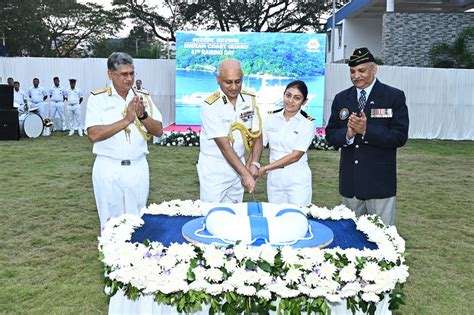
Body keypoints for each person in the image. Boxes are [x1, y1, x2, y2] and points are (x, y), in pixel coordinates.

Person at [325, 47, 409, 226]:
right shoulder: (341, 98)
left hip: (379, 185)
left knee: (383, 241)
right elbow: (330, 134)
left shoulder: (393, 96)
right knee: (349, 241)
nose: (356, 75)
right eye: (352, 71)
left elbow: (400, 136)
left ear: (374, 69)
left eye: (361, 70)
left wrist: (366, 131)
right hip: (350, 185)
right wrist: (347, 134)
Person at [85, 52, 164, 231]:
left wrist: (142, 115)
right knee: (110, 221)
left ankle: (133, 257)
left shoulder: (143, 97)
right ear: (110, 75)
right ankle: (111, 257)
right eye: (124, 74)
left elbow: (158, 130)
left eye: (132, 73)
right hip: (108, 167)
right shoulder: (98, 98)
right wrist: (126, 120)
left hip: (138, 166)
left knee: (137, 219)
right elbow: (93, 135)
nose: (129, 79)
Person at [197, 58, 263, 203]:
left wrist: (254, 163)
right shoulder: (210, 105)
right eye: (228, 82)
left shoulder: (249, 100)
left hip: (238, 165)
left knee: (234, 214)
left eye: (238, 81)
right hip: (215, 168)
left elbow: (257, 136)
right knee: (212, 214)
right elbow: (224, 146)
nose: (234, 87)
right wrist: (245, 175)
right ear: (218, 79)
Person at [258, 80, 315, 207]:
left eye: (297, 98)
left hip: (297, 179)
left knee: (298, 217)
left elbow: (295, 156)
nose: (290, 101)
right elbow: (260, 144)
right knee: (275, 217)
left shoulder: (307, 123)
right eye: (288, 95)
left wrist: (265, 168)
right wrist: (253, 163)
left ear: (304, 101)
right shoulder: (271, 118)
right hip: (274, 179)